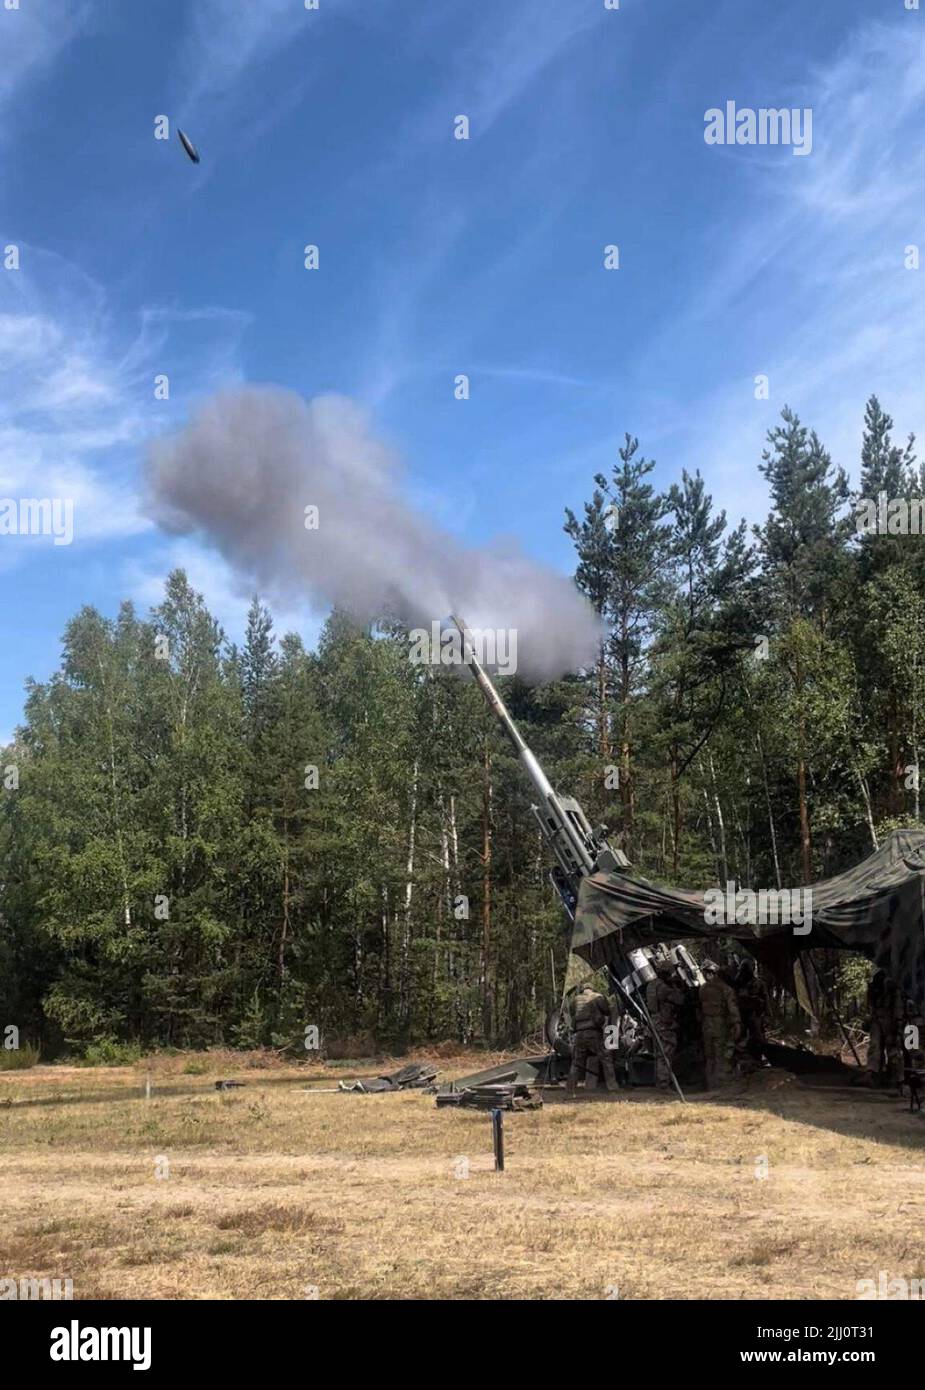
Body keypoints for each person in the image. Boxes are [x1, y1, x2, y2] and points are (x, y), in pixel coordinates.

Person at [567, 983, 619, 1093]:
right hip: (593, 1033)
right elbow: (607, 1011)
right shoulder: (597, 997)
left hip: (579, 1034)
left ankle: (570, 1088)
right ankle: (612, 1087)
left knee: (576, 1062)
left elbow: (572, 1013)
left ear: (583, 990)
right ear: (592, 988)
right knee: (606, 1059)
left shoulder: (576, 1000)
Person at [699, 959, 742, 1088]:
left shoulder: (702, 989)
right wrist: (737, 1023)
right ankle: (719, 1084)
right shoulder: (725, 989)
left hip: (707, 1024)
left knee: (709, 1055)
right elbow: (732, 1008)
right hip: (719, 1023)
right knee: (720, 1053)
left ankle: (710, 1083)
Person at [645, 961, 685, 1090]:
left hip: (654, 1022)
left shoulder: (651, 985)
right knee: (665, 1055)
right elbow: (680, 1000)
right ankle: (664, 1084)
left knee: (659, 1054)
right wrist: (677, 986)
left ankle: (660, 1083)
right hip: (664, 1023)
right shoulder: (663, 988)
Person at [867, 968, 903, 1088]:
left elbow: (897, 1004)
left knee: (891, 1049)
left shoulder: (892, 984)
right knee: (877, 1047)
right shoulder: (879, 981)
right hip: (880, 1018)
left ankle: (895, 1078)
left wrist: (898, 1021)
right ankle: (875, 1075)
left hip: (888, 1019)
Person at [735, 957, 770, 1056]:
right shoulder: (738, 982)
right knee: (740, 1038)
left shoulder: (759, 983)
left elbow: (766, 999)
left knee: (757, 1039)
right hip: (741, 1015)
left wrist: (767, 1015)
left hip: (755, 1015)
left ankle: (756, 1057)